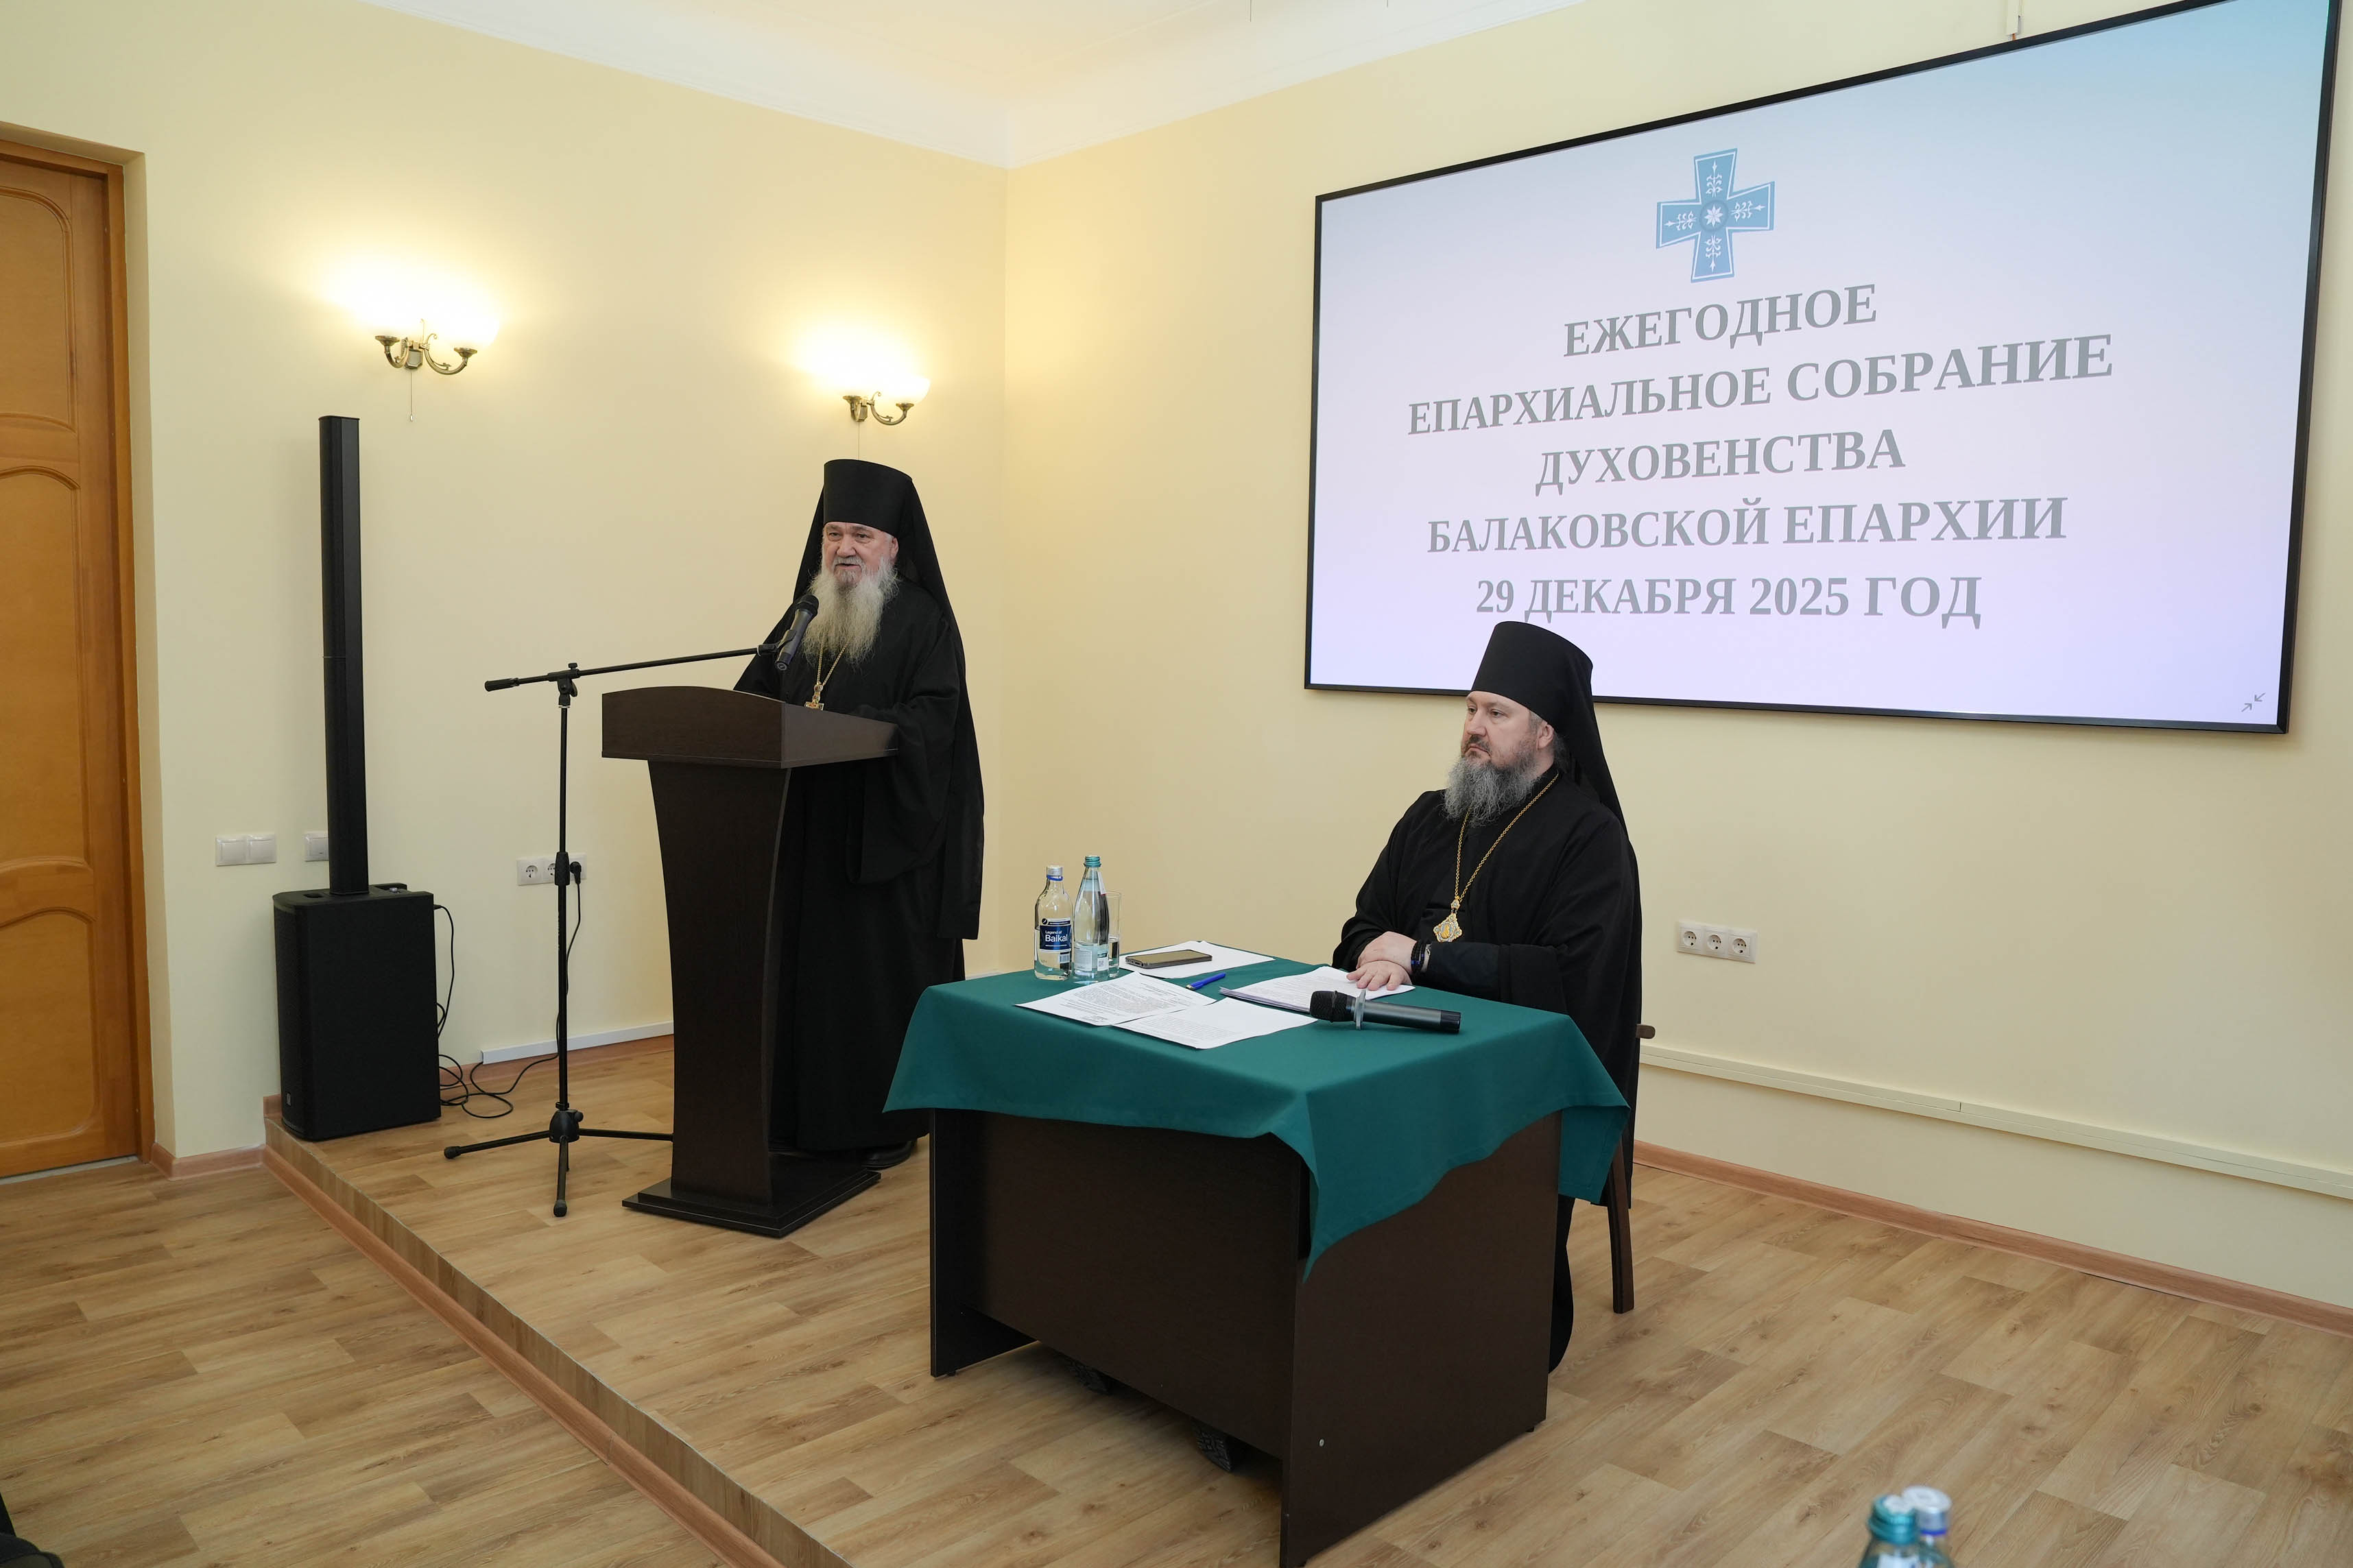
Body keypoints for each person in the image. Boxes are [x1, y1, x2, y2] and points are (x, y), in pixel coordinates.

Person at [1334, 621, 1640, 1371]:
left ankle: (1486, 1349)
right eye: (1470, 708)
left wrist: (1422, 956)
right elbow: (1361, 929)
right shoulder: (1429, 814)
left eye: (1496, 713)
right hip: (1398, 1047)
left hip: (1519, 1070)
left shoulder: (1588, 837)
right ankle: (1353, 1311)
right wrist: (1382, 955)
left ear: (1544, 731)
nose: (1473, 726)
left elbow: (1566, 976)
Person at [735, 459, 983, 1170]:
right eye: (833, 533)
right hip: (802, 837)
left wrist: (852, 725)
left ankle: (882, 1128)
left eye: (861, 535)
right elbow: (751, 698)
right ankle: (793, 1120)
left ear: (893, 548)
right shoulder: (804, 615)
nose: (844, 547)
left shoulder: (923, 621)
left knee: (866, 992)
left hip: (883, 841)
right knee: (803, 987)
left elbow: (934, 723)